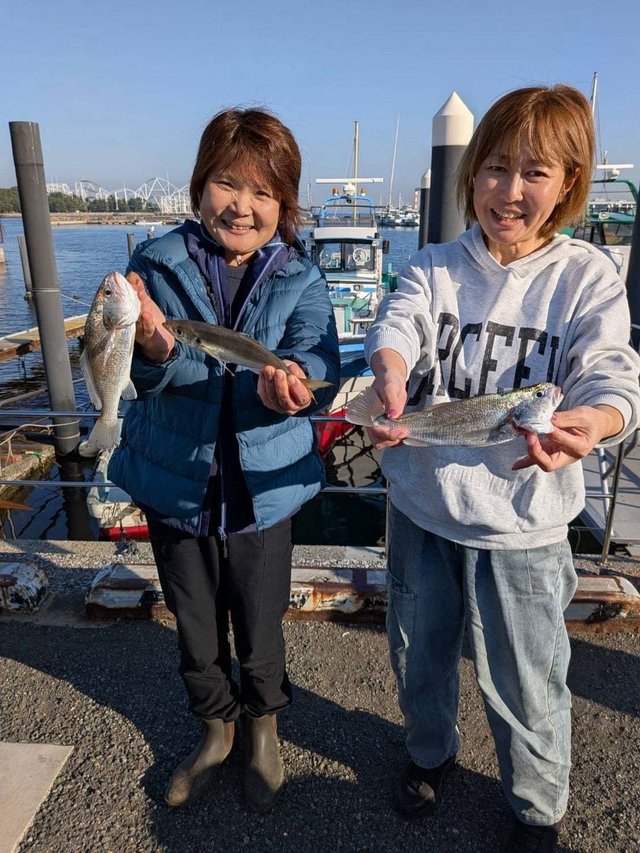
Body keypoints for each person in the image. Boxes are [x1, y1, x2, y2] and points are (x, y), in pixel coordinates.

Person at [362, 85, 640, 851]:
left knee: (527, 677)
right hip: (422, 509)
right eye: (494, 167)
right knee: (417, 654)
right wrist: (390, 371)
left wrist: (595, 421)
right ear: (471, 174)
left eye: (534, 172)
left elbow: (611, 372)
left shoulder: (585, 276)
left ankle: (538, 806)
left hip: (526, 526)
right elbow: (400, 322)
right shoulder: (435, 265)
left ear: (570, 181)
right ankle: (429, 752)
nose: (509, 190)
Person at [108, 107, 340, 812]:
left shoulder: (302, 275)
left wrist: (295, 381)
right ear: (199, 186)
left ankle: (263, 726)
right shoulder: (152, 265)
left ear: (284, 203)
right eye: (227, 183)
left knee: (261, 623)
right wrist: (155, 350)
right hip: (175, 478)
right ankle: (216, 727)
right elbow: (139, 374)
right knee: (195, 622)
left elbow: (319, 352)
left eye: (263, 191)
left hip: (264, 489)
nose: (242, 205)